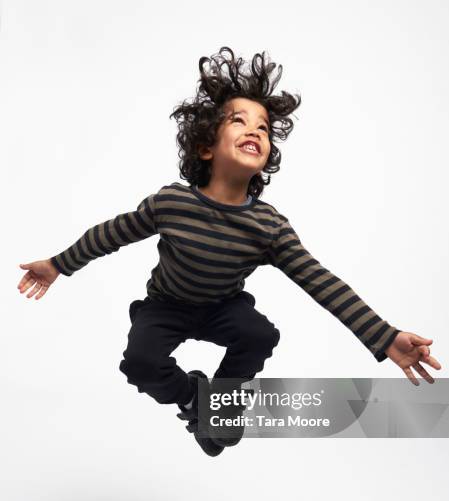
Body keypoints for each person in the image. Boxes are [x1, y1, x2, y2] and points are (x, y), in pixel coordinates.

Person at [17, 47, 442, 457]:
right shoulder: (171, 203)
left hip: (222, 307)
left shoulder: (269, 227)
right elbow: (111, 234)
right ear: (206, 146)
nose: (255, 130)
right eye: (239, 121)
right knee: (139, 364)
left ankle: (221, 403)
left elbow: (321, 282)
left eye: (263, 127)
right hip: (165, 306)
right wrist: (58, 264)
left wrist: (384, 336)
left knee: (260, 334)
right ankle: (197, 403)